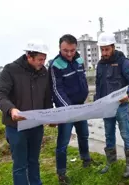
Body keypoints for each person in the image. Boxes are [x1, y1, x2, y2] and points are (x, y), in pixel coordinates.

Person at [0, 39, 52, 185]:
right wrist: (11, 109)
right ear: (29, 56)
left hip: (36, 126)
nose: (42, 63)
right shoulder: (11, 70)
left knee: (33, 161)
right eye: (39, 59)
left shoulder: (44, 72)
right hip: (15, 126)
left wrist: (50, 115)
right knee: (20, 165)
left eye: (44, 59)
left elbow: (47, 97)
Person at [49, 34, 96, 184]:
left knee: (84, 135)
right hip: (66, 110)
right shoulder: (55, 65)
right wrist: (68, 109)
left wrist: (85, 97)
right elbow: (57, 90)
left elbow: (83, 81)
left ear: (76, 48)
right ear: (59, 48)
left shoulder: (79, 60)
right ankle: (61, 173)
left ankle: (86, 159)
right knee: (63, 143)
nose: (69, 54)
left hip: (80, 106)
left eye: (72, 50)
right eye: (65, 50)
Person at [94, 32, 129, 178]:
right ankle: (111, 162)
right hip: (106, 107)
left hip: (121, 106)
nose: (104, 53)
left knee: (125, 134)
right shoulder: (100, 65)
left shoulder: (123, 62)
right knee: (108, 134)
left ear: (113, 47)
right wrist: (97, 102)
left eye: (107, 49)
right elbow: (99, 85)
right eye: (102, 49)